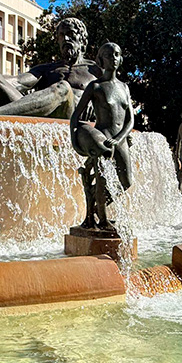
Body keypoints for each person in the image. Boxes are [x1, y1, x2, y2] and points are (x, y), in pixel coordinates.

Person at [0, 18, 102, 119]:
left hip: (72, 116)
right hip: (40, 112)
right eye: (62, 36)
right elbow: (16, 82)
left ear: (82, 39)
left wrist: (96, 104)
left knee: (63, 87)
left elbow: (117, 96)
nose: (65, 40)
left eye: (70, 34)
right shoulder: (47, 69)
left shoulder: (95, 70)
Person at [70, 42, 134, 230]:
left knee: (126, 182)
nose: (113, 58)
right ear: (101, 60)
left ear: (120, 59)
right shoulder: (95, 86)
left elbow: (130, 120)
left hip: (119, 140)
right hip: (102, 139)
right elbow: (76, 116)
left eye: (116, 54)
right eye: (108, 55)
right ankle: (103, 220)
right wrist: (76, 141)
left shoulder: (124, 87)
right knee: (101, 180)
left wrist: (121, 137)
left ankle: (99, 208)